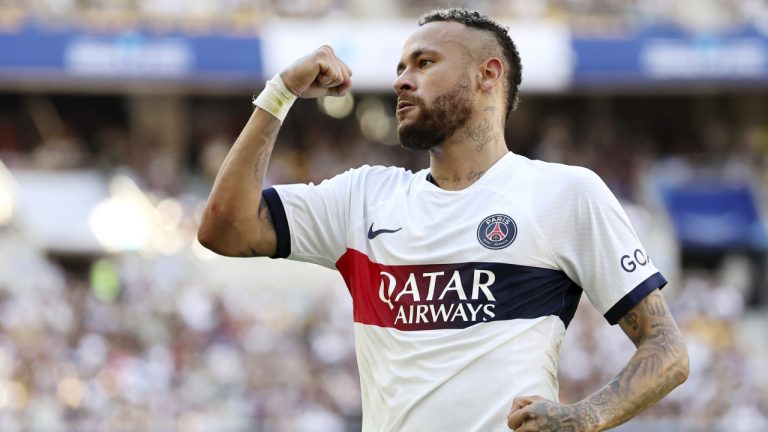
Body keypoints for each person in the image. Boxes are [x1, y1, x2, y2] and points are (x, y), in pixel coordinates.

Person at [198, 8, 689, 432]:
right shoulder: (364, 197)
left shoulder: (562, 193)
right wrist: (279, 93)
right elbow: (226, 228)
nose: (400, 80)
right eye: (399, 68)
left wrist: (587, 415)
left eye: (424, 63)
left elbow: (666, 348)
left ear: (488, 74)